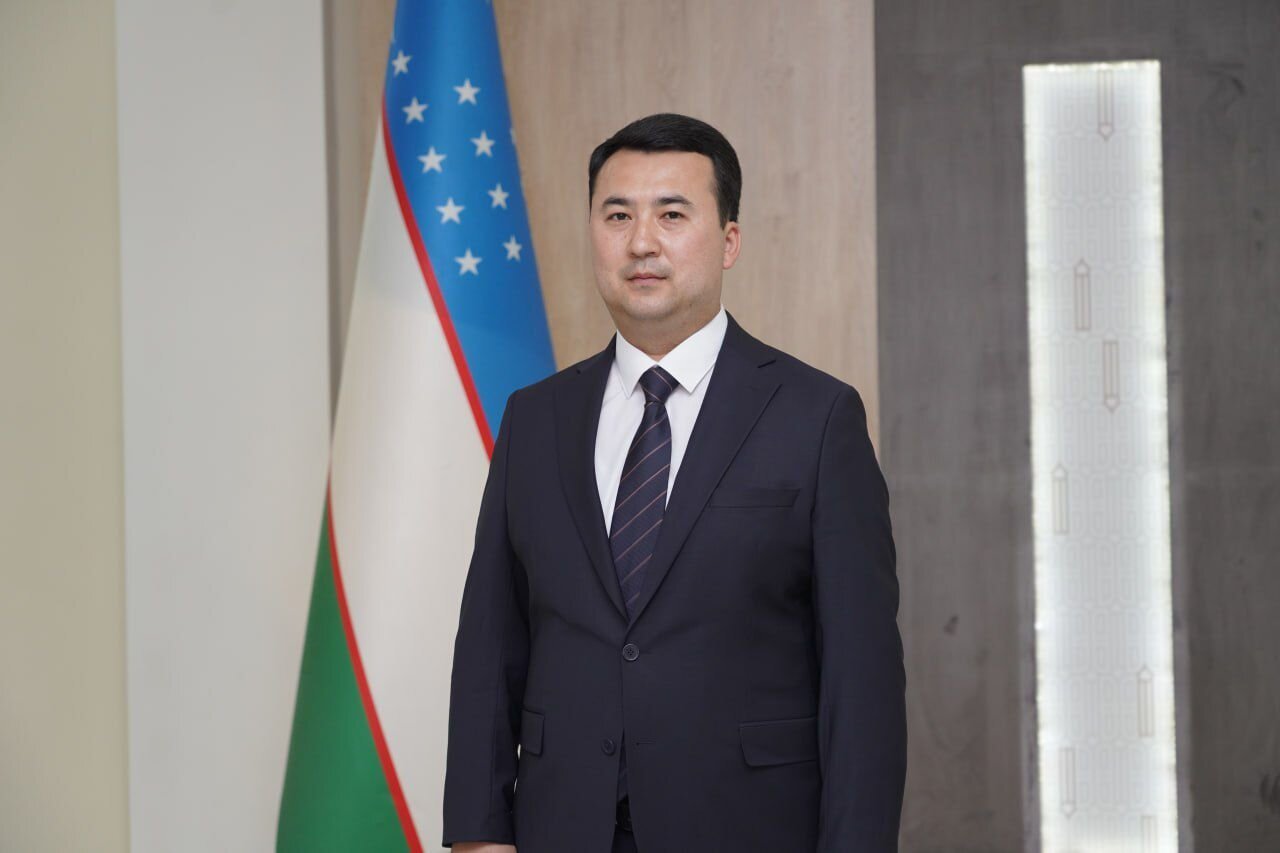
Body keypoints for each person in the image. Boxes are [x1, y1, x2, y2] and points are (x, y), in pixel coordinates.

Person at [442, 113, 906, 853]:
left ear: (729, 241)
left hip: (749, 829)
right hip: (562, 828)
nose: (641, 242)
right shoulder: (535, 419)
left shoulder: (817, 417)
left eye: (672, 214)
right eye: (617, 215)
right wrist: (478, 834)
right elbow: (490, 646)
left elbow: (863, 681)